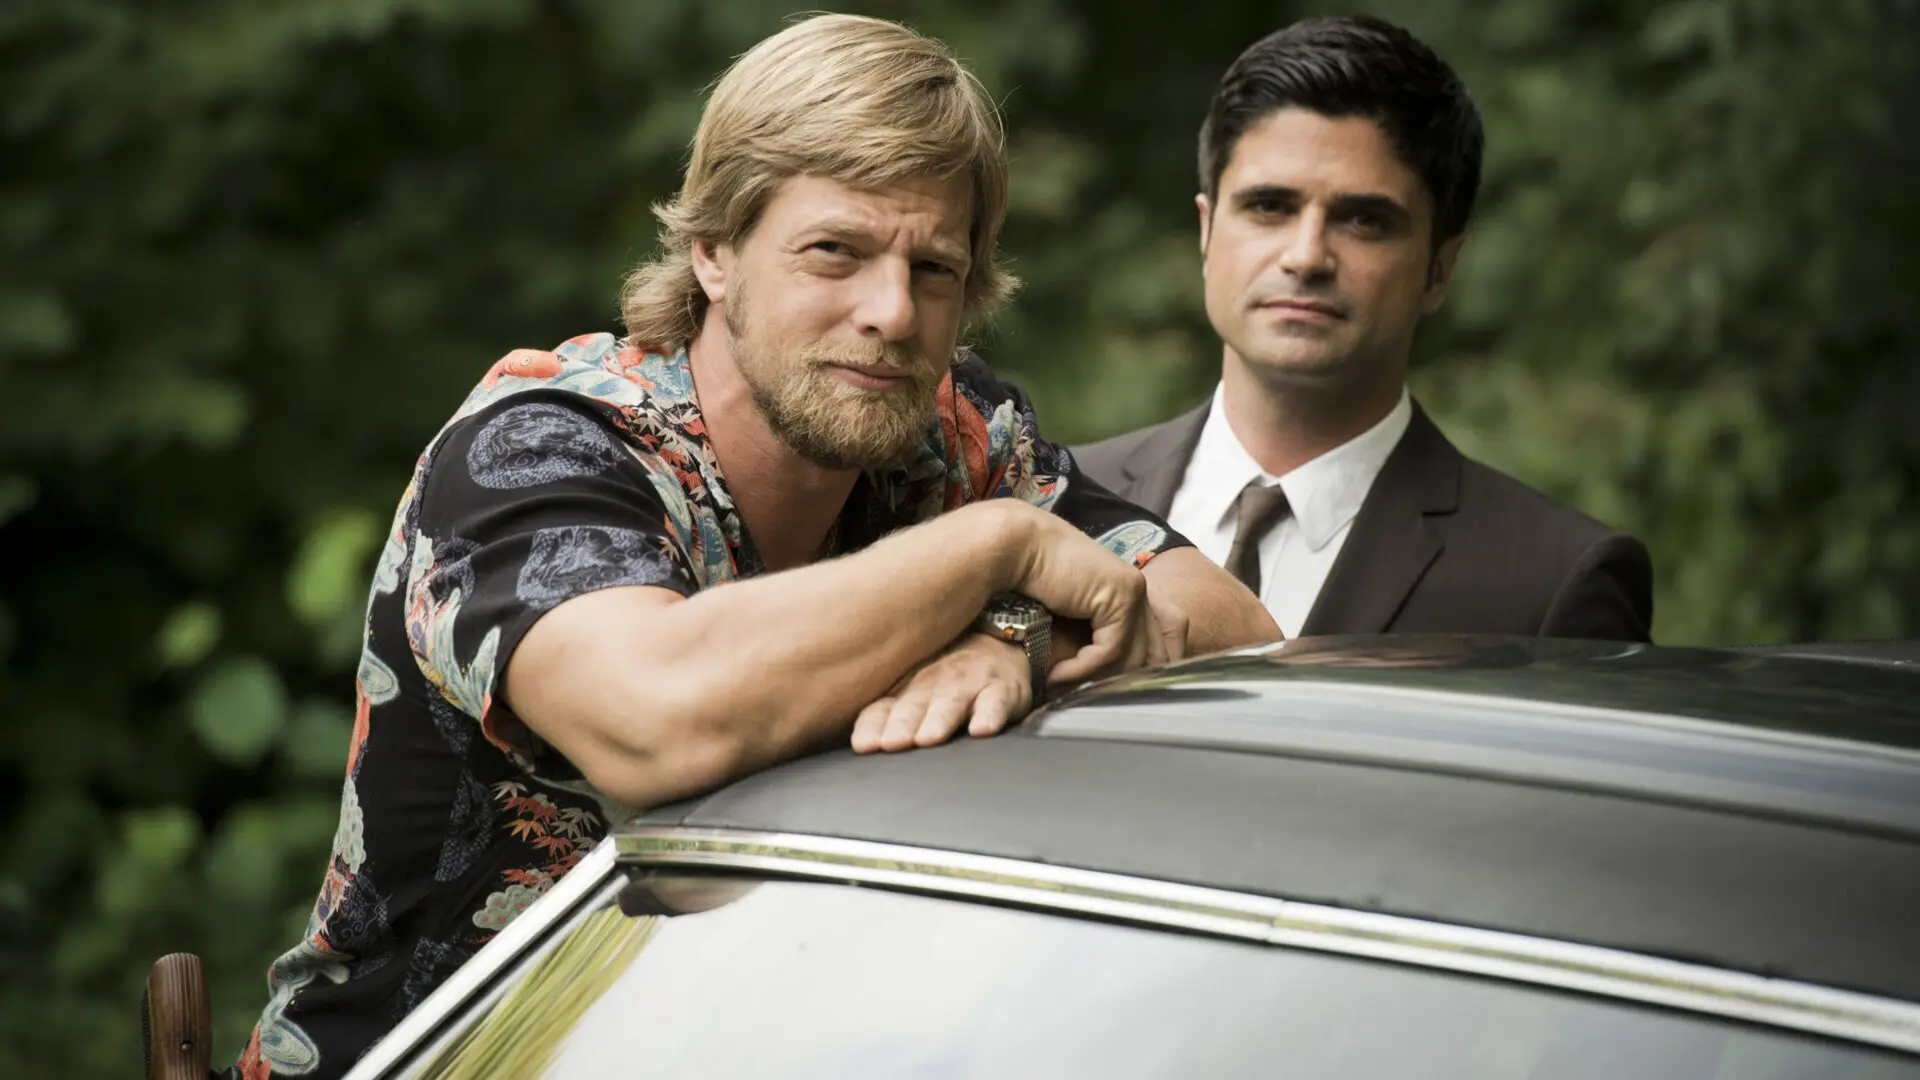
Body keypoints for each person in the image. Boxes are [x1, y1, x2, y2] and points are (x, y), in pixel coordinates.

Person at [232, 15, 1277, 1078]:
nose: (892, 313)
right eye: (836, 252)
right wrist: (997, 547)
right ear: (715, 252)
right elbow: (660, 720)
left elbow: (1245, 638)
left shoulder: (954, 440)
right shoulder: (538, 450)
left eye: (934, 268)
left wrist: (1017, 634)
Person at [1074, 15, 1653, 642]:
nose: (1306, 256)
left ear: (1439, 268)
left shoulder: (1553, 584)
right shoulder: (1051, 497)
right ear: (1207, 230)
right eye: (1269, 206)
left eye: (1365, 221)